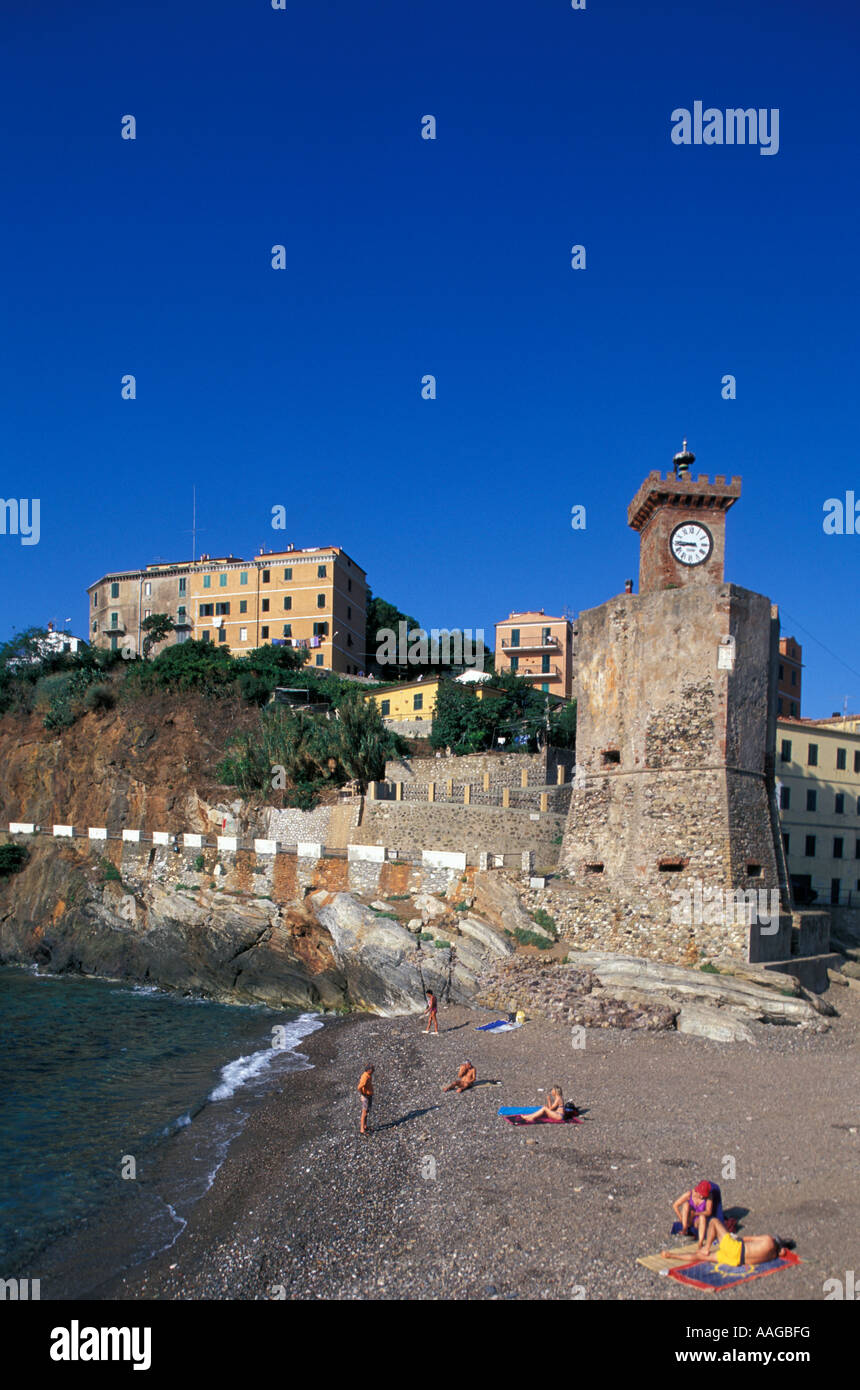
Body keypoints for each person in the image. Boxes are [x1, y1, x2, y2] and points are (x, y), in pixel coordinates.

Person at [663, 1217, 789, 1267]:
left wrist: (733, 1237)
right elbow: (782, 1253)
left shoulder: (768, 1240)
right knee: (701, 1258)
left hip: (736, 1248)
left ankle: (706, 1247)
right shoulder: (773, 1256)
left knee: (714, 1222)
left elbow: (747, 1239)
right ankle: (671, 1255)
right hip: (736, 1261)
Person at [672, 1180, 718, 1247]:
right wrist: (681, 1218)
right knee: (686, 1204)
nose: (702, 1197)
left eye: (704, 1195)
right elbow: (675, 1205)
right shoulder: (689, 1194)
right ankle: (684, 1227)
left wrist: (696, 1214)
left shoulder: (709, 1197)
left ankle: (700, 1242)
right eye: (701, 1194)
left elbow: (708, 1212)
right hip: (688, 1219)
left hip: (697, 1220)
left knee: (702, 1217)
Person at [357, 1064, 374, 1136]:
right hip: (366, 1097)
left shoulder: (367, 1075)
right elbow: (359, 1086)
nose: (373, 1071)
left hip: (368, 1095)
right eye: (372, 1069)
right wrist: (362, 1093)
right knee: (364, 1112)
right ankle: (362, 1129)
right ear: (369, 1070)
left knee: (367, 1111)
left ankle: (365, 1126)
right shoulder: (365, 1077)